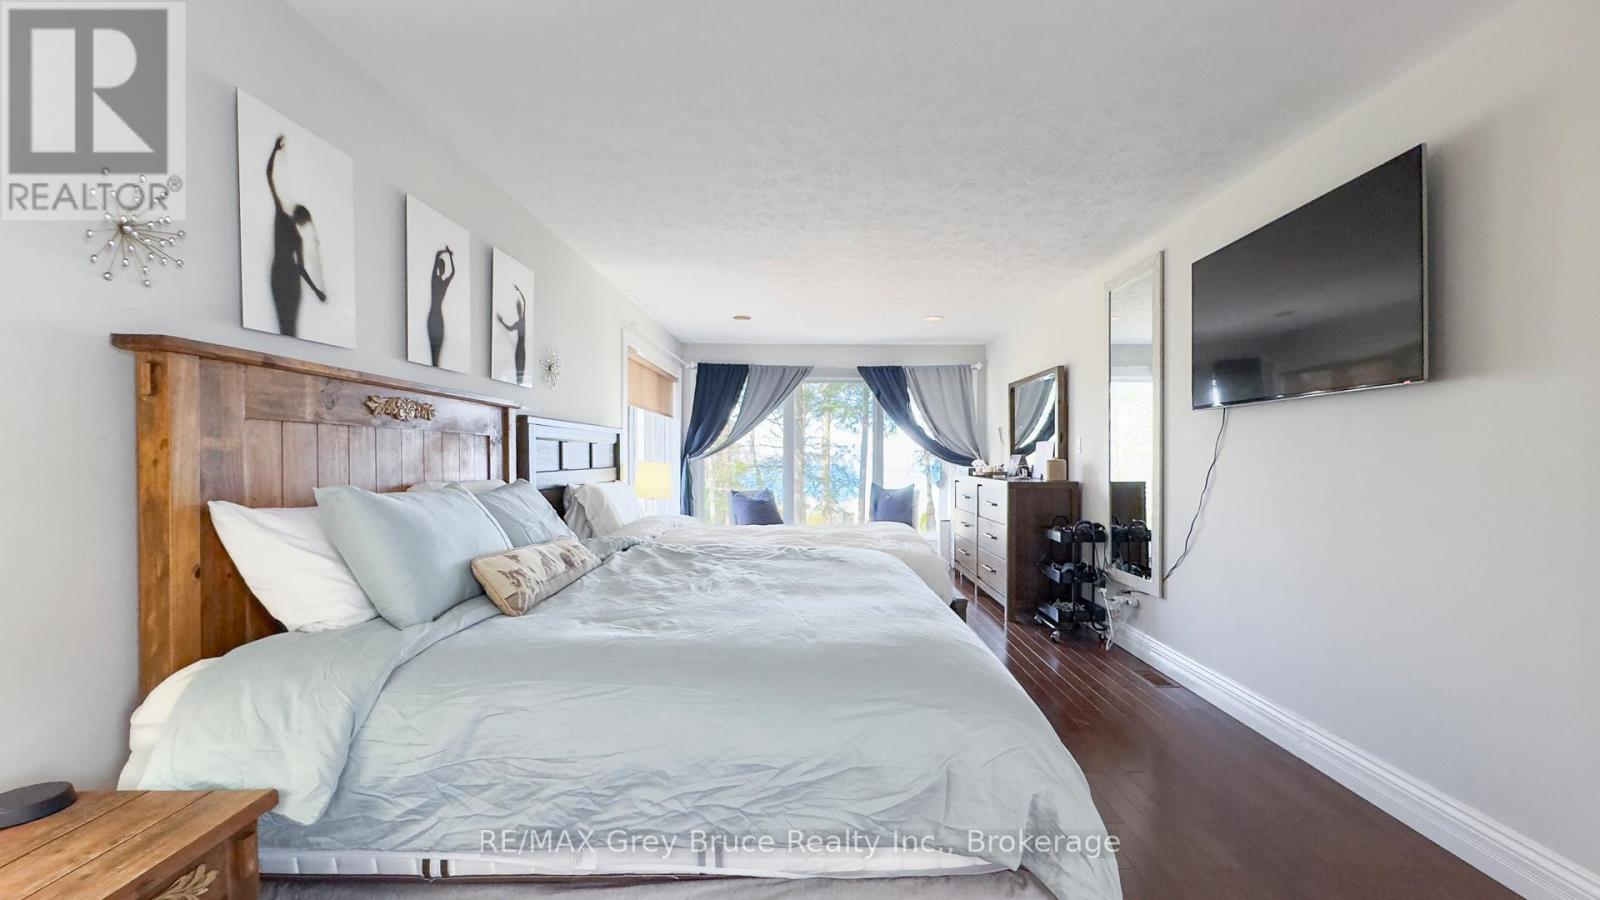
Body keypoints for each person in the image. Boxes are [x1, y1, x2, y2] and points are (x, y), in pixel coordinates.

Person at [266, 135, 327, 337]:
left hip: (281, 274)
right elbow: (300, 268)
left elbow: (269, 177)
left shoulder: (282, 219)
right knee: (288, 327)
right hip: (288, 278)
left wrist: (275, 150)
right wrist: (317, 291)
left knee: (288, 326)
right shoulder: (288, 226)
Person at [428, 246, 455, 367]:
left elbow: (453, 272)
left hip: (438, 318)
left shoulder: (443, 282)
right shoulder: (435, 280)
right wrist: (447, 253)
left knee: (437, 356)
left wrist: (448, 255)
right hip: (434, 317)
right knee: (434, 355)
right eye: (440, 266)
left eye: (442, 267)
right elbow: (437, 255)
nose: (441, 269)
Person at [496, 285, 528, 384]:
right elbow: (509, 329)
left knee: (521, 364)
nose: (519, 310)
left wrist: (519, 290)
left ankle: (520, 381)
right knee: (518, 364)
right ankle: (519, 381)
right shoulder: (518, 323)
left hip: (521, 345)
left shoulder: (522, 320)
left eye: (520, 309)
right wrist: (501, 322)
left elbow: (524, 301)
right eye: (518, 309)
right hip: (519, 345)